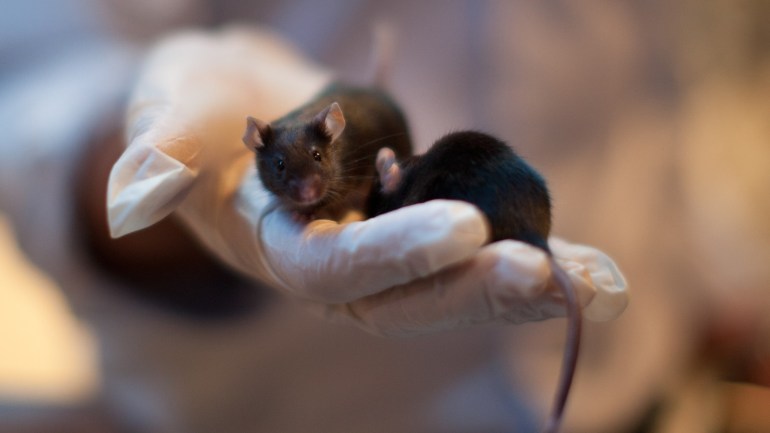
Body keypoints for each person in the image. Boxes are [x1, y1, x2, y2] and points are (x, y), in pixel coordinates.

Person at [2, 2, 639, 432]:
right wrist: (158, 162)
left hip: (640, 367)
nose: (306, 189)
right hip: (316, 405)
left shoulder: (354, 138)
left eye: (316, 172)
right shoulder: (304, 151)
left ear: (335, 137)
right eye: (287, 176)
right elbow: (39, 85)